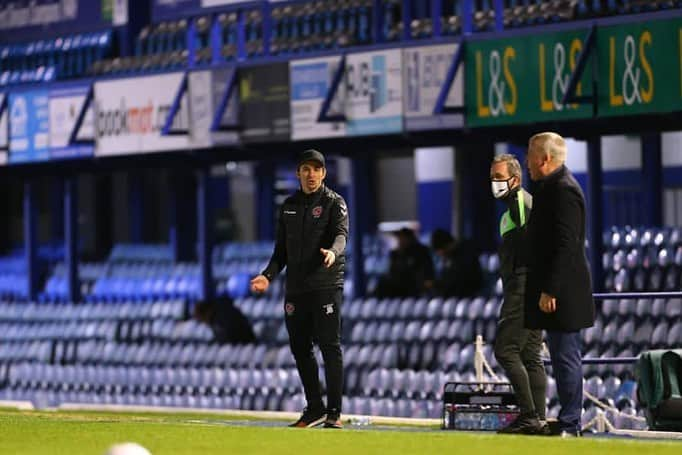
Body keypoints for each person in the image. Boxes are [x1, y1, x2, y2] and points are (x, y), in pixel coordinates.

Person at [250, 149, 348, 429]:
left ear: (324, 173)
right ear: (298, 173)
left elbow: (341, 235)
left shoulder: (334, 203)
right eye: (306, 169)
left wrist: (333, 252)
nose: (311, 174)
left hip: (325, 285)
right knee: (300, 348)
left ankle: (334, 412)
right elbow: (281, 251)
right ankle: (314, 408)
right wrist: (267, 276)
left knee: (330, 346)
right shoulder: (289, 206)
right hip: (296, 288)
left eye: (317, 169)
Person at [525, 132, 595, 437]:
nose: (526, 163)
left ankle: (570, 423)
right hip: (554, 290)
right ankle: (566, 419)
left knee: (566, 357)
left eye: (529, 156)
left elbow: (567, 245)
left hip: (562, 292)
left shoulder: (563, 190)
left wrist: (551, 289)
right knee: (560, 356)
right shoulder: (549, 188)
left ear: (544, 159)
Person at [489, 154, 548, 435]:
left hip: (522, 286)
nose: (495, 183)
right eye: (493, 178)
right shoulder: (517, 205)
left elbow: (531, 241)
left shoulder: (520, 203)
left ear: (515, 179)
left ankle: (529, 415)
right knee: (529, 354)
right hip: (529, 284)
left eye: (500, 178)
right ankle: (539, 418)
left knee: (506, 350)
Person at [375, 227, 435, 297]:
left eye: (402, 238)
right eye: (399, 238)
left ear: (410, 238)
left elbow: (426, 271)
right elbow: (392, 272)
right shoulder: (395, 254)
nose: (400, 240)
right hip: (398, 287)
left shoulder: (421, 251)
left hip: (415, 287)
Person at [430, 229, 483, 298]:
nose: (440, 254)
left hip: (467, 296)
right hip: (453, 296)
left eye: (440, 251)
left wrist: (437, 285)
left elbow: (458, 280)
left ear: (446, 245)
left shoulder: (465, 253)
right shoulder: (450, 257)